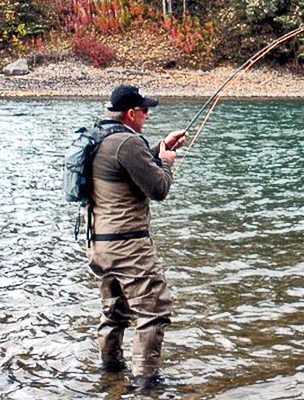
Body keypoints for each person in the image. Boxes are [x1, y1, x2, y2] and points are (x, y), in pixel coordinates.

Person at [86, 84, 186, 389]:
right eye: (145, 111)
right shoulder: (127, 143)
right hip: (129, 247)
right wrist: (166, 162)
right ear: (131, 114)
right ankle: (147, 384)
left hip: (100, 246)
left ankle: (111, 374)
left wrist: (157, 148)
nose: (147, 116)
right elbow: (158, 189)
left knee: (114, 311)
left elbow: (124, 166)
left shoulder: (100, 138)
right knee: (153, 312)